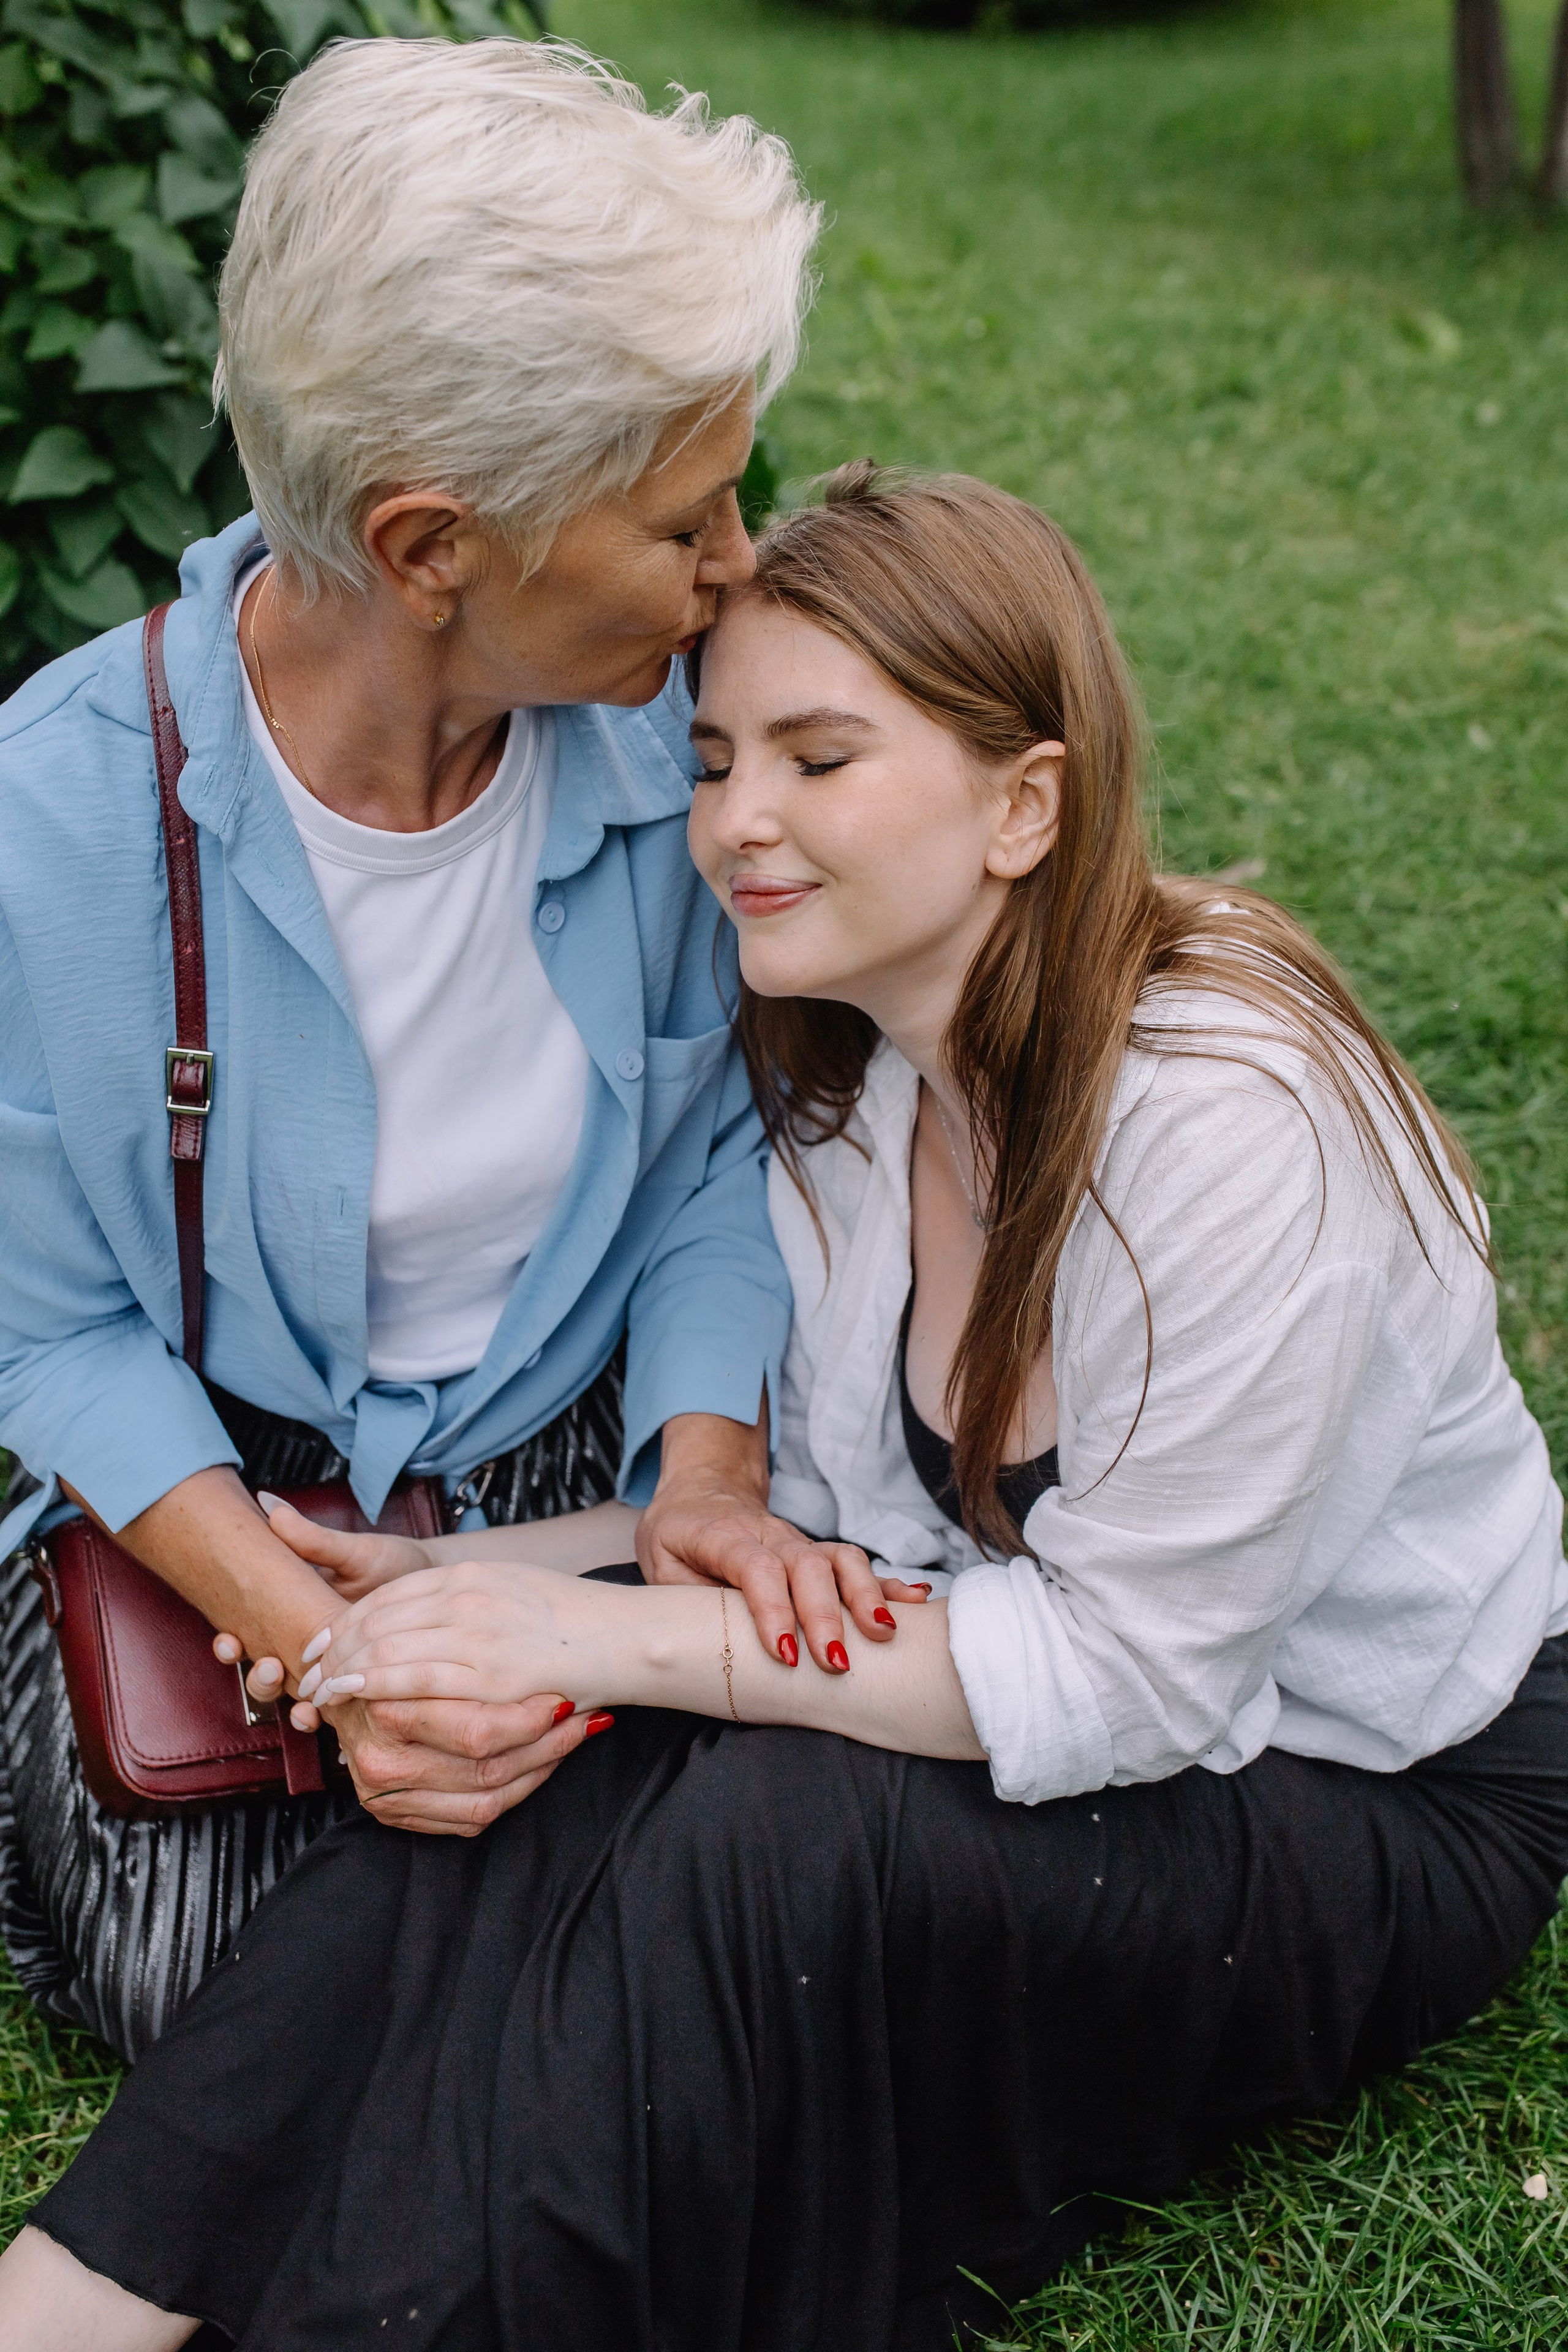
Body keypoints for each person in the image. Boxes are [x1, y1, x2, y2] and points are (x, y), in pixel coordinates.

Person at [4, 469, 1564, 2351]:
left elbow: (1144, 1683)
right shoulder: (852, 1079)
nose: (734, 820)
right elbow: (810, 1542)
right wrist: (468, 1590)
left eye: (818, 761)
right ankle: (78, 2297)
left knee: (768, 1819)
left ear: (1026, 805)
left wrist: (606, 1636)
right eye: (717, 756)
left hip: (1359, 1787)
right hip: (1062, 1677)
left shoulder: (1234, 1122)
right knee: (583, 1751)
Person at [0, 32, 866, 2061]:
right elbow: (53, 1337)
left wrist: (710, 1469)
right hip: (228, 1485)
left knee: (774, 1880)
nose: (738, 566)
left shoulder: (682, 755)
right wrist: (320, 1645)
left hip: (585, 1445)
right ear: (426, 549)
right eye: (682, 518)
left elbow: (711, 1163)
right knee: (199, 1988)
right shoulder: (51, 817)